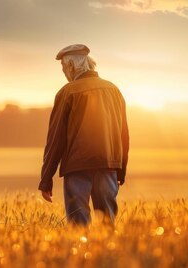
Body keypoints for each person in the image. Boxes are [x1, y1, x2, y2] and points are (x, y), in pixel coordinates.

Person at [39, 44, 129, 226]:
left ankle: (81, 255)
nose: (64, 73)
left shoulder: (67, 92)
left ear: (71, 66)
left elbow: (56, 139)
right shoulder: (113, 90)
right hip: (108, 165)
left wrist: (46, 180)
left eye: (64, 68)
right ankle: (108, 255)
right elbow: (123, 134)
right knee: (108, 225)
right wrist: (121, 170)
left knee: (78, 226)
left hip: (77, 167)